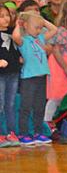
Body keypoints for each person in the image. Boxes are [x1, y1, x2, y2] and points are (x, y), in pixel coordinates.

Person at [13, 10, 54, 145]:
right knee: (26, 107)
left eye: (40, 27)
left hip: (41, 77)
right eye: (36, 27)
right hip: (29, 78)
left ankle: (38, 132)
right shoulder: (24, 41)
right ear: (25, 25)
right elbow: (15, 37)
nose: (39, 30)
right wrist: (18, 24)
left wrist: (42, 21)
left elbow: (54, 29)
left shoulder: (40, 38)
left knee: (39, 106)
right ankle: (23, 134)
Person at [0, 6, 19, 146]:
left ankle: (11, 133)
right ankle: (1, 134)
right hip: (1, 75)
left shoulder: (13, 32)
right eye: (1, 16)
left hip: (13, 73)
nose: (6, 18)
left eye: (7, 15)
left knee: (10, 105)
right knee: (0, 104)